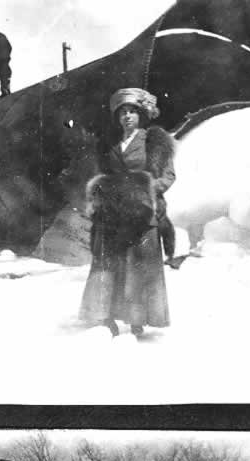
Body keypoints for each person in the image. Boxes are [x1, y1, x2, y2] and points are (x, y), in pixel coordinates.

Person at [79, 87, 176, 337]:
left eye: (133, 111)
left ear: (141, 115)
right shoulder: (110, 144)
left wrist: (147, 190)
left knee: (139, 266)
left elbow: (168, 175)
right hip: (113, 212)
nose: (127, 116)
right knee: (110, 264)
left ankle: (137, 318)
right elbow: (101, 174)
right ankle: (106, 314)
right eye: (123, 112)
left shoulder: (152, 141)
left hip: (143, 214)